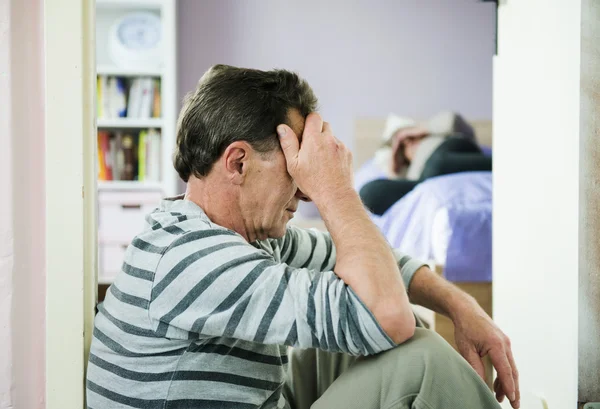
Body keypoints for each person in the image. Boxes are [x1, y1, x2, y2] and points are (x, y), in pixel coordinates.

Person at [86, 65, 519, 409]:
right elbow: (387, 315)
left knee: (401, 322)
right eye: (298, 170)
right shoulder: (194, 259)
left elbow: (367, 260)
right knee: (418, 361)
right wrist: (337, 189)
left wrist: (462, 306)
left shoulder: (237, 233)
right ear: (238, 163)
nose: (307, 191)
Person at [359, 112, 492, 215]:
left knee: (437, 164)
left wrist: (419, 130)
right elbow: (396, 185)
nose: (408, 143)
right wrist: (394, 165)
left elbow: (452, 120)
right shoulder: (410, 171)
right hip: (428, 175)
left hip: (454, 150)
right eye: (402, 147)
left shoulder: (436, 136)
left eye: (409, 138)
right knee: (369, 193)